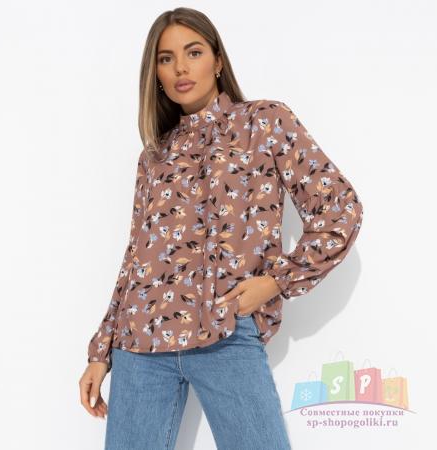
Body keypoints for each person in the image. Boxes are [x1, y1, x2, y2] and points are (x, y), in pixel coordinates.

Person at [79, 7, 364, 450]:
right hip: (139, 346)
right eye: (166, 58)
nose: (181, 67)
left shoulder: (265, 122)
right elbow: (136, 257)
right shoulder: (154, 156)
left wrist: (276, 281)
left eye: (193, 52)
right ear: (155, 74)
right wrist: (101, 351)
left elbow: (339, 209)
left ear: (217, 60)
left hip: (226, 333)